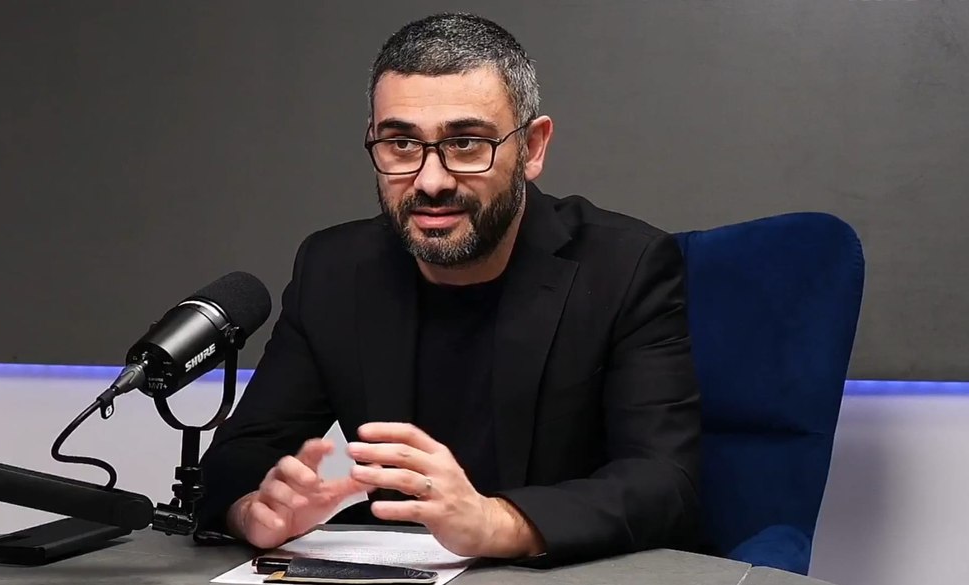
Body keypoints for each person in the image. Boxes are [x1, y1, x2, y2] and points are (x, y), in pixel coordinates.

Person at [198, 12, 701, 567]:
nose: (431, 181)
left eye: (465, 144)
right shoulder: (334, 268)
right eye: (401, 144)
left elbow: (663, 481)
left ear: (532, 148)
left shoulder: (624, 266)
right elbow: (240, 457)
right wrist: (255, 510)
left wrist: (495, 523)